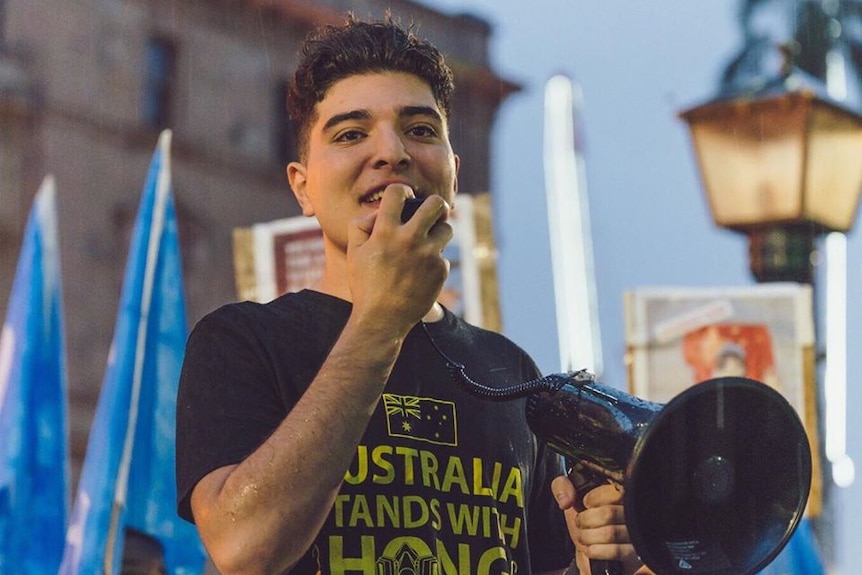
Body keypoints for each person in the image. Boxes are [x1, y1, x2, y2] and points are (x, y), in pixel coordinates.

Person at [175, 15, 649, 575]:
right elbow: (245, 547)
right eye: (351, 134)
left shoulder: (509, 370)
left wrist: (605, 554)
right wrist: (381, 319)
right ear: (302, 186)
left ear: (452, 171)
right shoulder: (241, 342)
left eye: (421, 130)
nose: (392, 152)